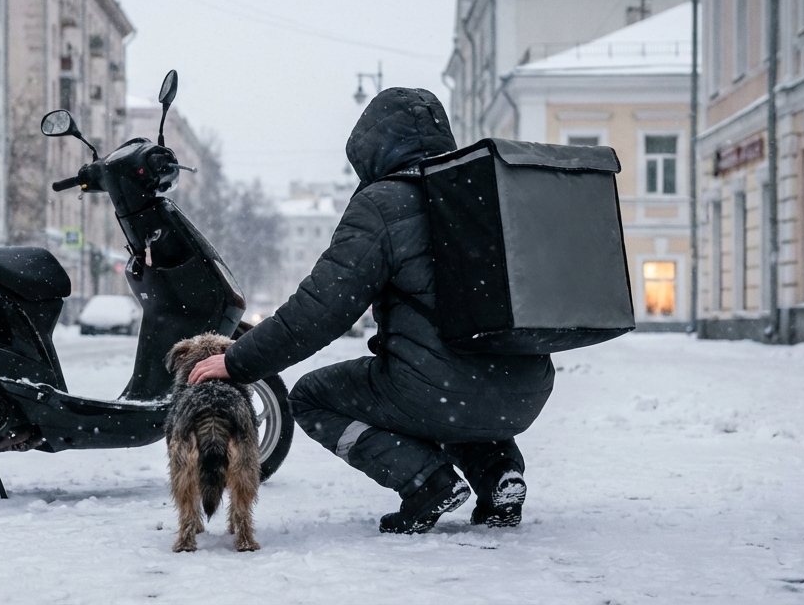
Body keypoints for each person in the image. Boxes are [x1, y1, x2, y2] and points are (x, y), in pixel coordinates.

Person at [186, 88, 555, 534]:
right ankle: (498, 475)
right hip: (524, 387)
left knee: (316, 396)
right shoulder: (483, 193)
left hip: (441, 389)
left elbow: (319, 310)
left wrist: (238, 361)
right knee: (453, 378)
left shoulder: (384, 204)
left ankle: (427, 482)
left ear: (371, 149)